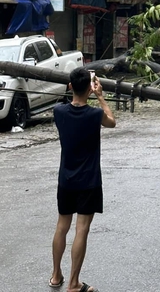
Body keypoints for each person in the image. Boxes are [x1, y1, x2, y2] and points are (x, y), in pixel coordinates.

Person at [50, 67, 116, 292]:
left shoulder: (58, 112)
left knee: (62, 226)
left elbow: (68, 106)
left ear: (70, 87)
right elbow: (112, 121)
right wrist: (100, 96)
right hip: (89, 181)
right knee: (82, 229)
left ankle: (56, 275)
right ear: (90, 87)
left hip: (65, 180)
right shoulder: (94, 115)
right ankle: (73, 283)